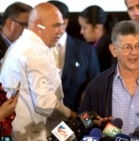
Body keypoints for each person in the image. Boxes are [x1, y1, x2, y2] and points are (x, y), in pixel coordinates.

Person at [78, 20, 139, 135]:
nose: (134, 52)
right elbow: (82, 122)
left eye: (138, 46)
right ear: (114, 50)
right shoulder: (98, 85)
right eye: (127, 47)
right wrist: (101, 126)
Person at [0, 3, 76, 141]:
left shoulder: (20, 46)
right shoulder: (35, 52)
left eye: (62, 25)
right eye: (56, 26)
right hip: (36, 134)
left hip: (26, 132)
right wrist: (72, 115)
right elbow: (45, 104)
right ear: (38, 24)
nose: (61, 31)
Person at [47, 0, 100, 113]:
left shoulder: (86, 51)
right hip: (39, 122)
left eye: (48, 21)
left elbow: (96, 88)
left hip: (75, 119)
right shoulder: (34, 49)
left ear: (64, 22)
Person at [78, 5, 116, 72]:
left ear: (96, 27)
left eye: (84, 28)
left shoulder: (108, 48)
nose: (81, 32)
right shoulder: (102, 43)